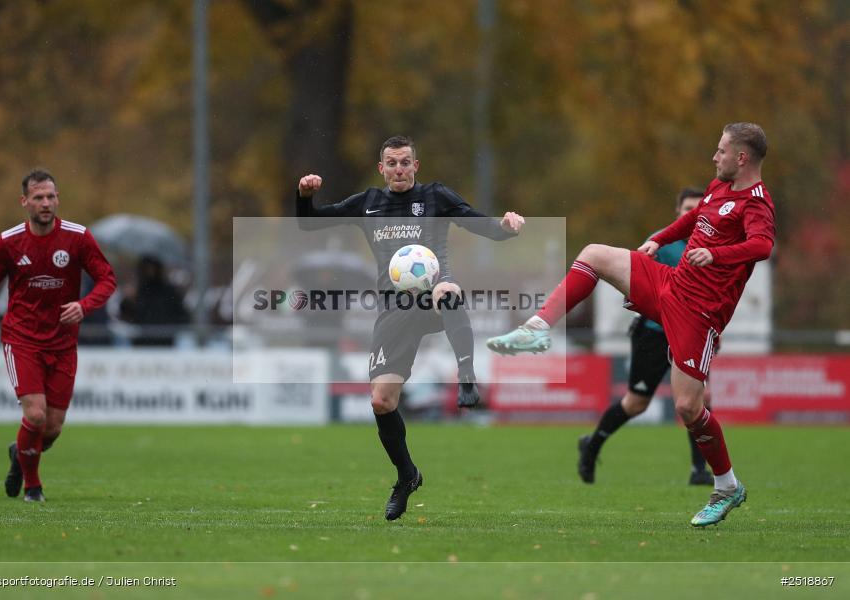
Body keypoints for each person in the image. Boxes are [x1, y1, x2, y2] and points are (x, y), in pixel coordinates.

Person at [488, 123, 774, 527]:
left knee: (689, 407)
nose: (715, 156)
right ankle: (537, 326)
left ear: (742, 158)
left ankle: (727, 486)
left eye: (722, 151)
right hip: (670, 285)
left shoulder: (757, 203)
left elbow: (762, 245)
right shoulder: (718, 187)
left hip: (699, 314)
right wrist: (659, 239)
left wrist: (718, 255)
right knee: (594, 254)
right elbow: (693, 221)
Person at [297, 135, 524, 520]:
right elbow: (308, 224)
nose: (399, 169)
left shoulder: (436, 196)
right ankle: (407, 476)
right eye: (392, 163)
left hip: (433, 297)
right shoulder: (367, 204)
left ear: (415, 166)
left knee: (448, 289)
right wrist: (304, 196)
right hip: (394, 310)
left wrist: (505, 226)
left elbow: (481, 224)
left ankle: (467, 377)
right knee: (381, 402)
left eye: (405, 162)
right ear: (381, 168)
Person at [0, 169, 117, 503]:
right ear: (25, 202)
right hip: (21, 339)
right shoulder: (9, 242)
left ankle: (19, 453)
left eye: (51, 196)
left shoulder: (78, 238)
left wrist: (84, 305)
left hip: (63, 343)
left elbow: (107, 279)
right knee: (35, 415)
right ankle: (33, 487)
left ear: (58, 199)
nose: (46, 203)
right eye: (38, 197)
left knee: (50, 430)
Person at [576, 187, 716, 486]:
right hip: (653, 335)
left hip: (690, 335)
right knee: (636, 403)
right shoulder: (661, 242)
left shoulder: (710, 244)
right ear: (678, 212)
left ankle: (698, 470)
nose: (692, 213)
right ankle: (592, 445)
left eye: (697, 208)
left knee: (700, 399)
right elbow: (640, 281)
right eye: (687, 208)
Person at [118, 254, 189, 346]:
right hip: (141, 342)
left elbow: (182, 315)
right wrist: (128, 300)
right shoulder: (137, 291)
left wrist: (168, 327)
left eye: (152, 267)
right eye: (146, 268)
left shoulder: (168, 291)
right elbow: (126, 317)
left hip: (165, 341)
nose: (150, 271)